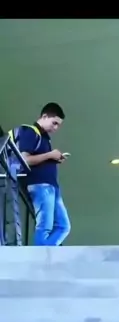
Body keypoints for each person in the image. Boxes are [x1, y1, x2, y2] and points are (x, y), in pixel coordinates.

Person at [10, 102, 71, 246]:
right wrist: (50, 155)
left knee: (63, 226)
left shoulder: (43, 137)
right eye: (54, 123)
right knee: (45, 227)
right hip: (39, 184)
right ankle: (43, 256)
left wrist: (53, 158)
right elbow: (25, 159)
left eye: (58, 125)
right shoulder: (30, 132)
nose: (55, 128)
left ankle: (45, 254)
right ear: (44, 116)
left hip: (51, 186)